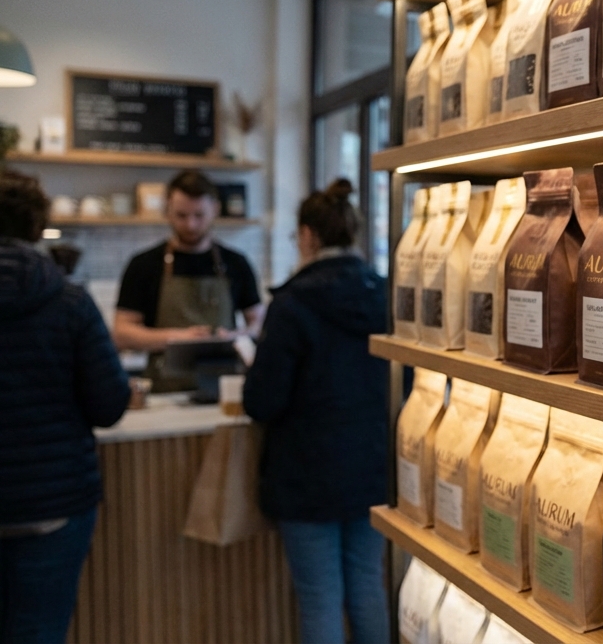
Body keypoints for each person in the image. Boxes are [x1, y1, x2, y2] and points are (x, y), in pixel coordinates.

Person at [243, 179, 390, 644]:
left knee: (320, 597)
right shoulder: (385, 296)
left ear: (307, 235)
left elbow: (262, 401)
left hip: (307, 475)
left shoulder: (292, 305)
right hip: (375, 468)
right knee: (368, 584)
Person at [0, 171, 130, 643]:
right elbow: (109, 404)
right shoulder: (69, 301)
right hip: (52, 505)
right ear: (37, 226)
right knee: (38, 632)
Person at [112, 170, 263, 392]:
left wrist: (234, 337)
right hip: (165, 392)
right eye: (181, 216)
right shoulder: (144, 264)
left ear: (215, 210)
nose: (190, 225)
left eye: (199, 215)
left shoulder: (236, 263)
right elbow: (122, 333)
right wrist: (178, 338)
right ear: (168, 211)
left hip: (225, 390)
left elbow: (259, 325)